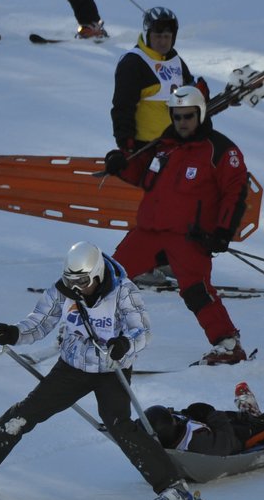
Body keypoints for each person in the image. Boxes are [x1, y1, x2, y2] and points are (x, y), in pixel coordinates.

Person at [0, 241, 210, 500]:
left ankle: (175, 492)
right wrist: (14, 333)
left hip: (112, 369)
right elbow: (40, 322)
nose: (77, 286)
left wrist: (125, 344)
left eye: (83, 280)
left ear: (98, 272)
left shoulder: (123, 291)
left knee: (120, 426)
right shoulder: (63, 291)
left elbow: (142, 331)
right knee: (26, 413)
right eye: (71, 279)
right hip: (73, 366)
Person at [104, 86, 249, 365]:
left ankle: (228, 344)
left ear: (201, 114)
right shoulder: (164, 146)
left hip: (189, 236)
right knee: (111, 276)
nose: (182, 123)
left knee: (195, 290)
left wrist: (222, 231)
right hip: (150, 230)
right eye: (178, 116)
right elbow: (145, 177)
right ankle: (88, 330)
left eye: (188, 116)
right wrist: (120, 165)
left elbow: (235, 191)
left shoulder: (220, 150)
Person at [110, 6, 205, 155]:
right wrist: (125, 141)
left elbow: (191, 94)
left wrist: (199, 93)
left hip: (176, 144)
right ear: (147, 35)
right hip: (146, 148)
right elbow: (122, 106)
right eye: (158, 36)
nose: (163, 42)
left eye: (167, 37)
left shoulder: (175, 61)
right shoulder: (133, 62)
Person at [143, 400, 264, 457]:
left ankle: (249, 414)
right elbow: (227, 443)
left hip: (213, 427)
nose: (176, 419)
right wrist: (211, 414)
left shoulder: (172, 434)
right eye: (173, 419)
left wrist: (190, 414)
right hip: (235, 436)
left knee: (231, 417)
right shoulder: (195, 443)